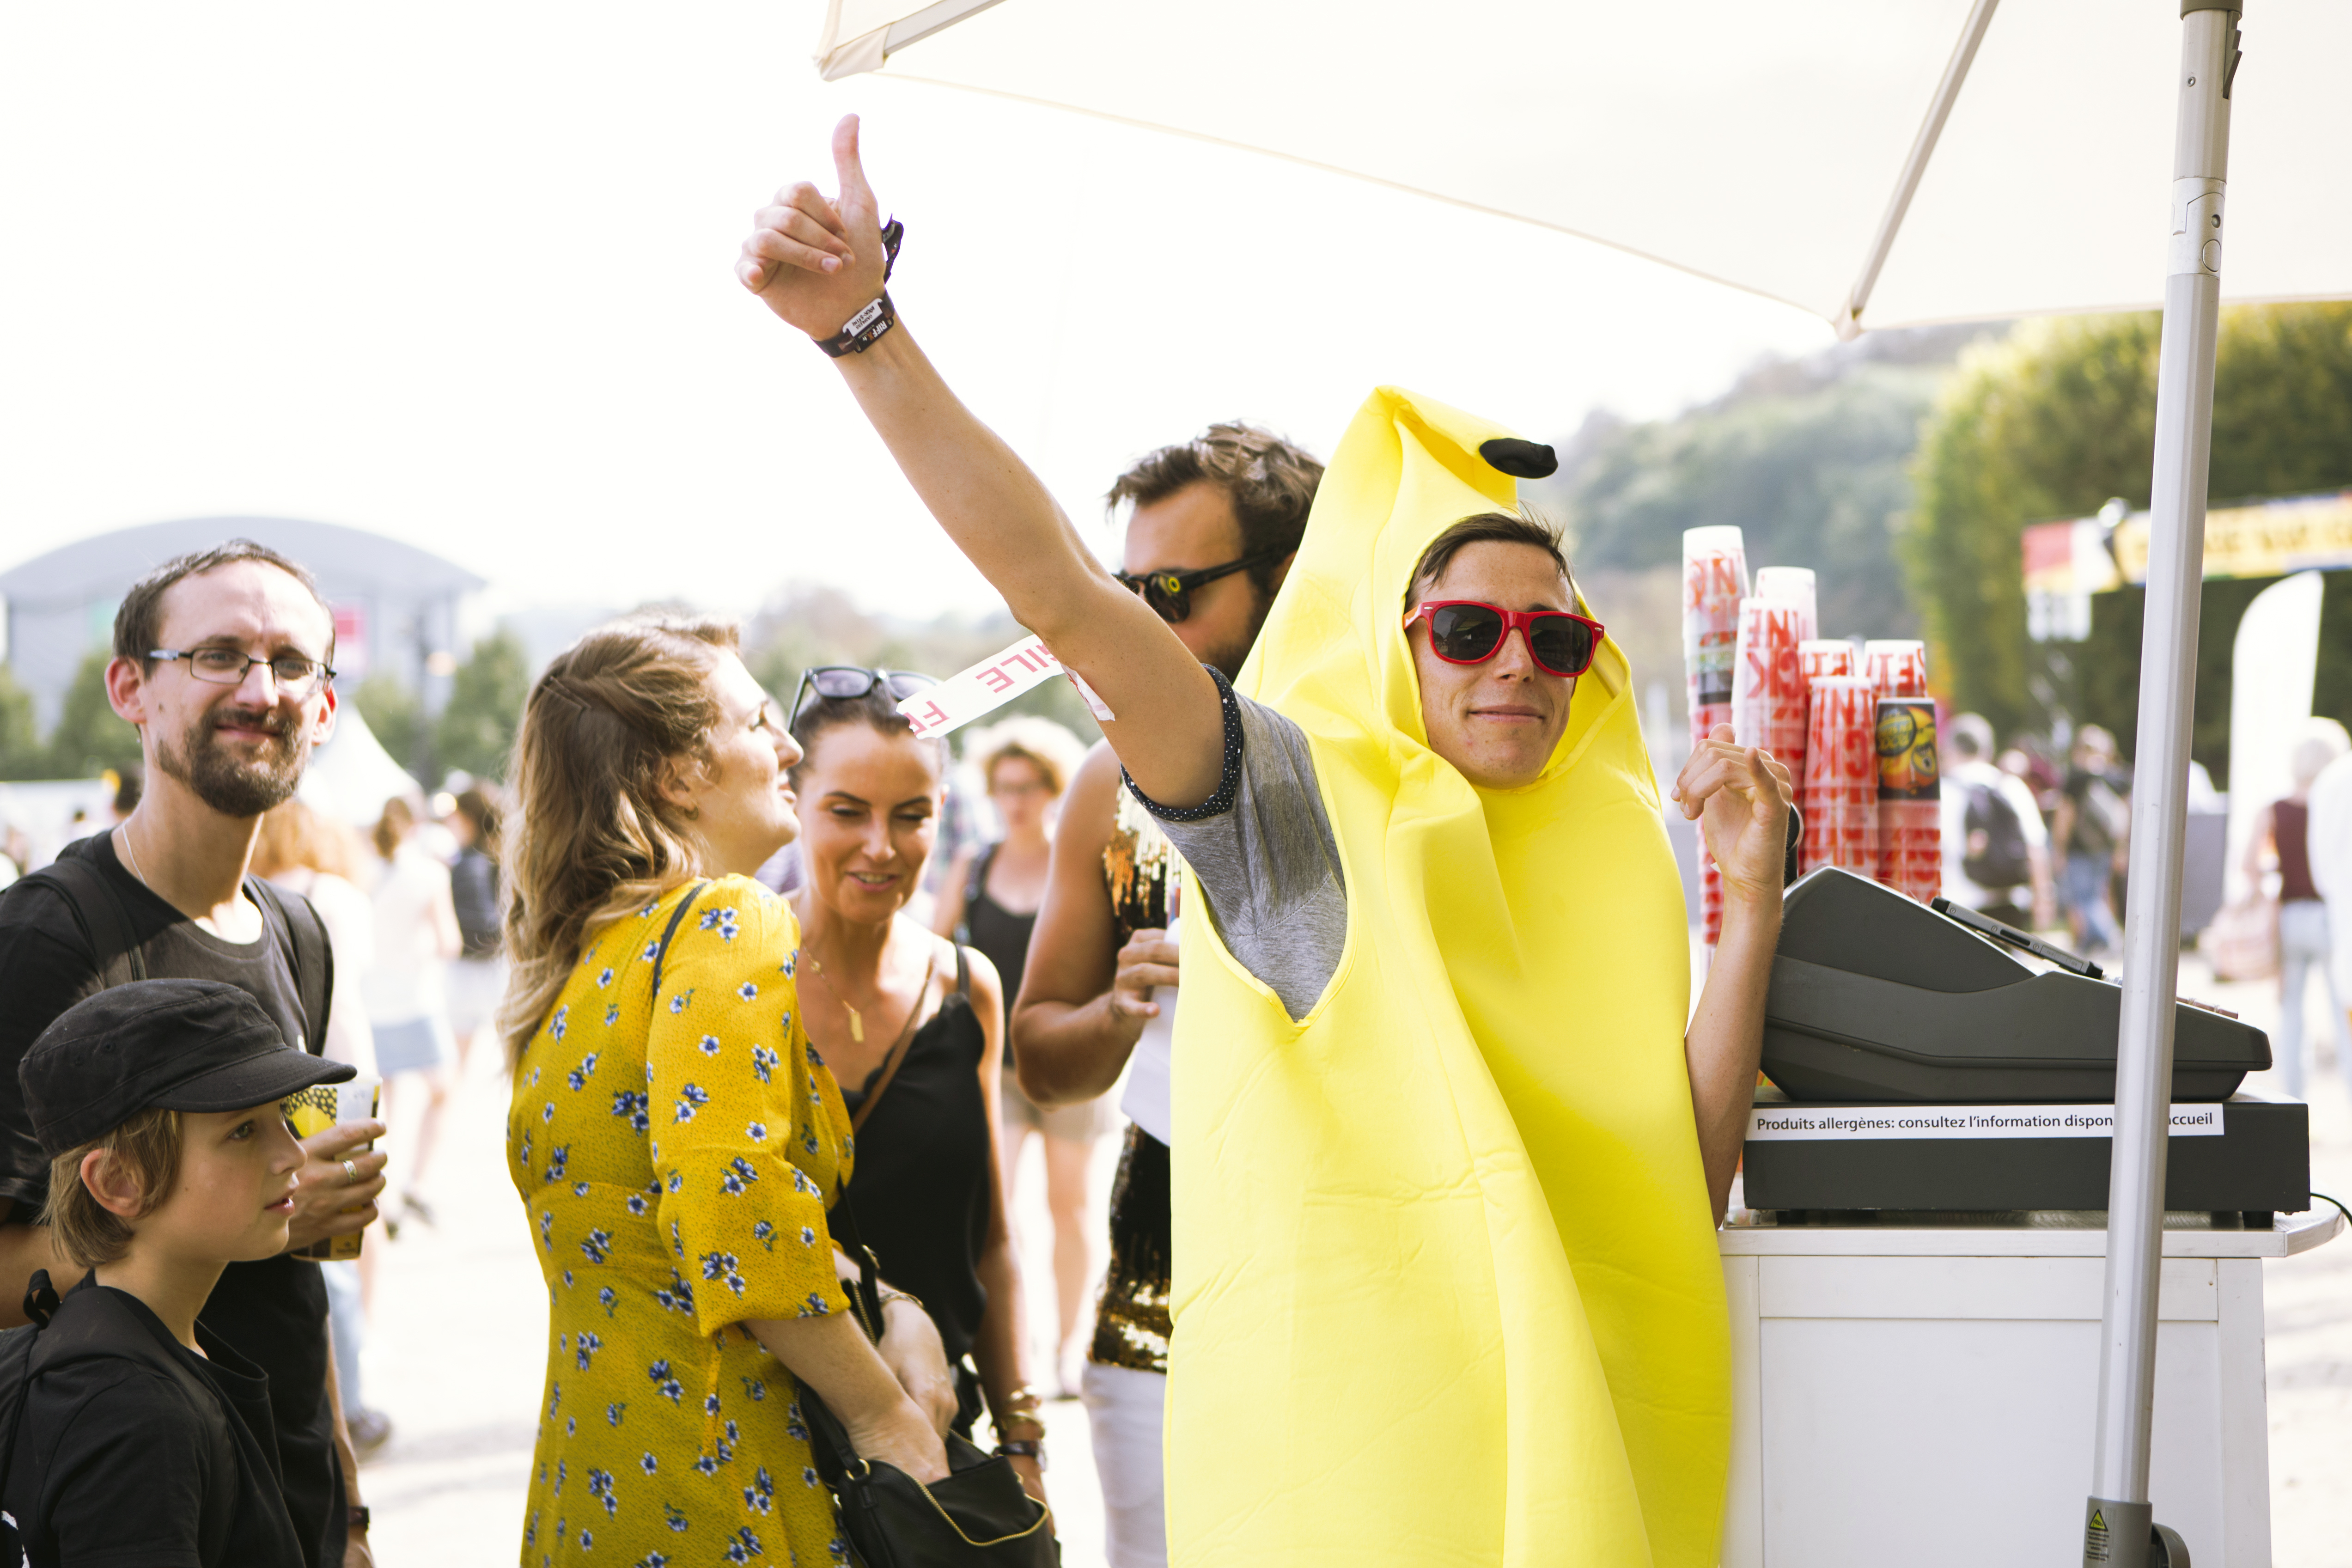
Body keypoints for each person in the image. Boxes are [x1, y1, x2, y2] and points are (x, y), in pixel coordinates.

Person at [738, 123, 1791, 1566]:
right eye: (1466, 631)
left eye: (1554, 636)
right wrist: (864, 332)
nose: (1515, 667)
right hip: (1370, 1505)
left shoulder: (1599, 857)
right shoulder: (1302, 811)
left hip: (1569, 1480)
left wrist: (1749, 901)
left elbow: (1683, 1177)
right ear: (1389, 649)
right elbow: (1060, 593)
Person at [500, 616, 958, 1566]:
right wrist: (884, 1418)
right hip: (726, 1482)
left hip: (594, 1481)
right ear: (677, 774)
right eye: (758, 723)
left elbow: (664, 1213)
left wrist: (894, 1300)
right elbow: (731, 1200)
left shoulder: (586, 955)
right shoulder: (724, 914)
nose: (789, 744)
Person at [0, 540, 384, 1568]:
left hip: (289, 1489)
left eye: (293, 663)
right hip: (139, 1499)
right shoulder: (47, 939)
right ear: (131, 687)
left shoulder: (298, 930)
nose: (261, 690)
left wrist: (345, 1510)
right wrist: (258, 1207)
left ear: (328, 708)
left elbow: (298, 1287)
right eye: (218, 654)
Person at [1009, 421, 1322, 1565]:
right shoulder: (1106, 783)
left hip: (1348, 1264)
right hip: (1161, 1268)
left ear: (1286, 580)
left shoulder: (1377, 766)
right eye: (1126, 591)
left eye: (1176, 591)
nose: (1139, 625)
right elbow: (1043, 1056)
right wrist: (1118, 1008)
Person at [788, 669, 1047, 1497]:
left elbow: (994, 1238)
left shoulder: (966, 985)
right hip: (768, 1456)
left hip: (940, 1452)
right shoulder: (737, 981)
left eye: (911, 815)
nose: (881, 846)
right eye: (846, 811)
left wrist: (1023, 1440)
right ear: (793, 796)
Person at [2, 979, 358, 1568]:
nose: (292, 1155)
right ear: (118, 1182)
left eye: (285, 1117)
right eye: (243, 1131)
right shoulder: (136, 1419)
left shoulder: (123, 1347)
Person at [931, 716, 1099, 1395]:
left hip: (1069, 1065)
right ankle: (1017, 1351)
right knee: (1000, 1209)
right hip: (994, 1063)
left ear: (1051, 788)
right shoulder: (976, 864)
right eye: (1004, 787)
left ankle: (1069, 1347)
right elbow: (932, 944)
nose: (1016, 799)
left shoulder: (1076, 856)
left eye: (1028, 786)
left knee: (1071, 1205)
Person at [250, 798, 391, 1456]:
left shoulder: (271, 895)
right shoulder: (337, 893)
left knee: (315, 1243)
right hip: (347, 1071)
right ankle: (357, 1395)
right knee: (342, 1237)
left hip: (299, 1077)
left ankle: (351, 1398)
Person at [2245, 721, 2352, 1098]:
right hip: (2331, 917)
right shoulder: (2339, 803)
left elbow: (2250, 864)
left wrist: (2269, 889)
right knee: (2344, 1012)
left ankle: (2294, 1098)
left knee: (2291, 1014)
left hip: (2290, 917)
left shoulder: (2275, 809)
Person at [365, 796, 459, 1220]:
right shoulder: (431, 874)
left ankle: (382, 1193)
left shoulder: (363, 870)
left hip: (372, 1002)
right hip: (417, 1001)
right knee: (441, 1089)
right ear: (417, 825)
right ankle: (416, 1184)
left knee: (385, 1103)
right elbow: (449, 943)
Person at [1939, 712, 2053, 930]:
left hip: (1960, 906)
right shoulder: (2011, 787)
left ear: (1950, 750)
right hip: (2012, 904)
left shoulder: (1942, 793)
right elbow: (2036, 849)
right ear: (1988, 750)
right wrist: (2043, 900)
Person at [2050, 724, 2129, 963]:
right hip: (2105, 849)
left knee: (2083, 898)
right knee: (2098, 894)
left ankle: (2112, 937)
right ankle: (2090, 942)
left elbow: (2065, 817)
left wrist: (2059, 849)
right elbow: (2125, 818)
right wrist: (2121, 849)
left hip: (2079, 850)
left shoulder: (2076, 779)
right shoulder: (2118, 778)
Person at [444, 784, 506, 1074]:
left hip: (473, 974)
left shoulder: (471, 865)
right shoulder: (493, 857)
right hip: (490, 970)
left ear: (467, 819)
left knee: (458, 1068)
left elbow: (481, 925)